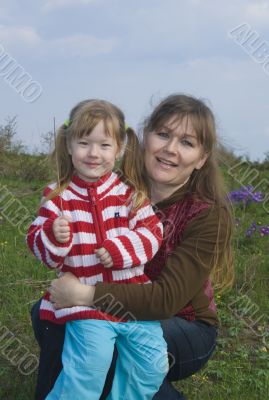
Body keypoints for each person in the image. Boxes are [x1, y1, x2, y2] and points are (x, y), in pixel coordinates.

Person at [31, 94, 234, 400]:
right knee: (50, 315)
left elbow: (166, 299)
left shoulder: (208, 214)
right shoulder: (113, 185)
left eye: (187, 143)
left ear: (201, 159)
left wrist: (84, 294)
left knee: (113, 342)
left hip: (182, 323)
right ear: (144, 137)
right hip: (115, 297)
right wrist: (54, 232)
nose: (170, 149)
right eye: (163, 134)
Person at [27, 99, 169, 400]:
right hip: (86, 303)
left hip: (133, 299)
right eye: (84, 143)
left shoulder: (129, 194)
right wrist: (54, 235)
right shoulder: (58, 197)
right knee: (90, 365)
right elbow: (40, 249)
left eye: (104, 145)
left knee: (153, 364)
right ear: (68, 146)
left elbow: (153, 232)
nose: (94, 153)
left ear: (118, 150)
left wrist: (120, 249)